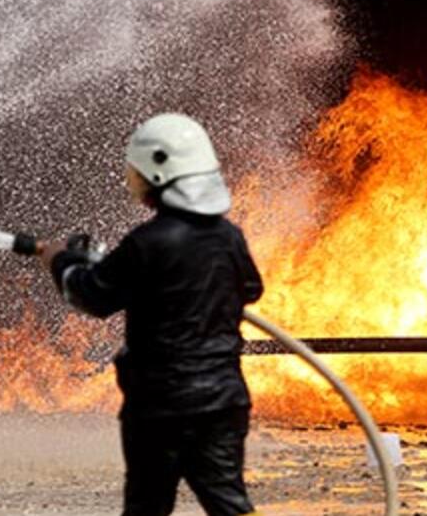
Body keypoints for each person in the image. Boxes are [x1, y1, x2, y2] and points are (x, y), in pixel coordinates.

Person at [41, 113, 264, 516]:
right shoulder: (229, 237)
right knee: (230, 504)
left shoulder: (147, 243)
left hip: (160, 406)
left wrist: (61, 261)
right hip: (224, 401)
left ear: (158, 176)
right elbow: (251, 289)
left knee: (147, 506)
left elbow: (92, 296)